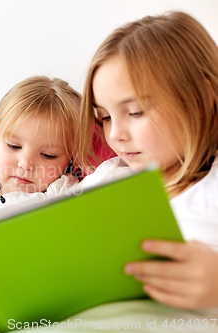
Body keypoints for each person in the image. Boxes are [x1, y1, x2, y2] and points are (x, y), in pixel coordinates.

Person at [77, 11, 218, 309]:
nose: (115, 135)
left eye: (136, 111)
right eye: (104, 117)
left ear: (202, 100)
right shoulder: (107, 177)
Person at [0, 76, 81, 226]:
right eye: (13, 146)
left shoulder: (62, 194)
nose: (25, 164)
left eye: (48, 155)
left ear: (70, 161)